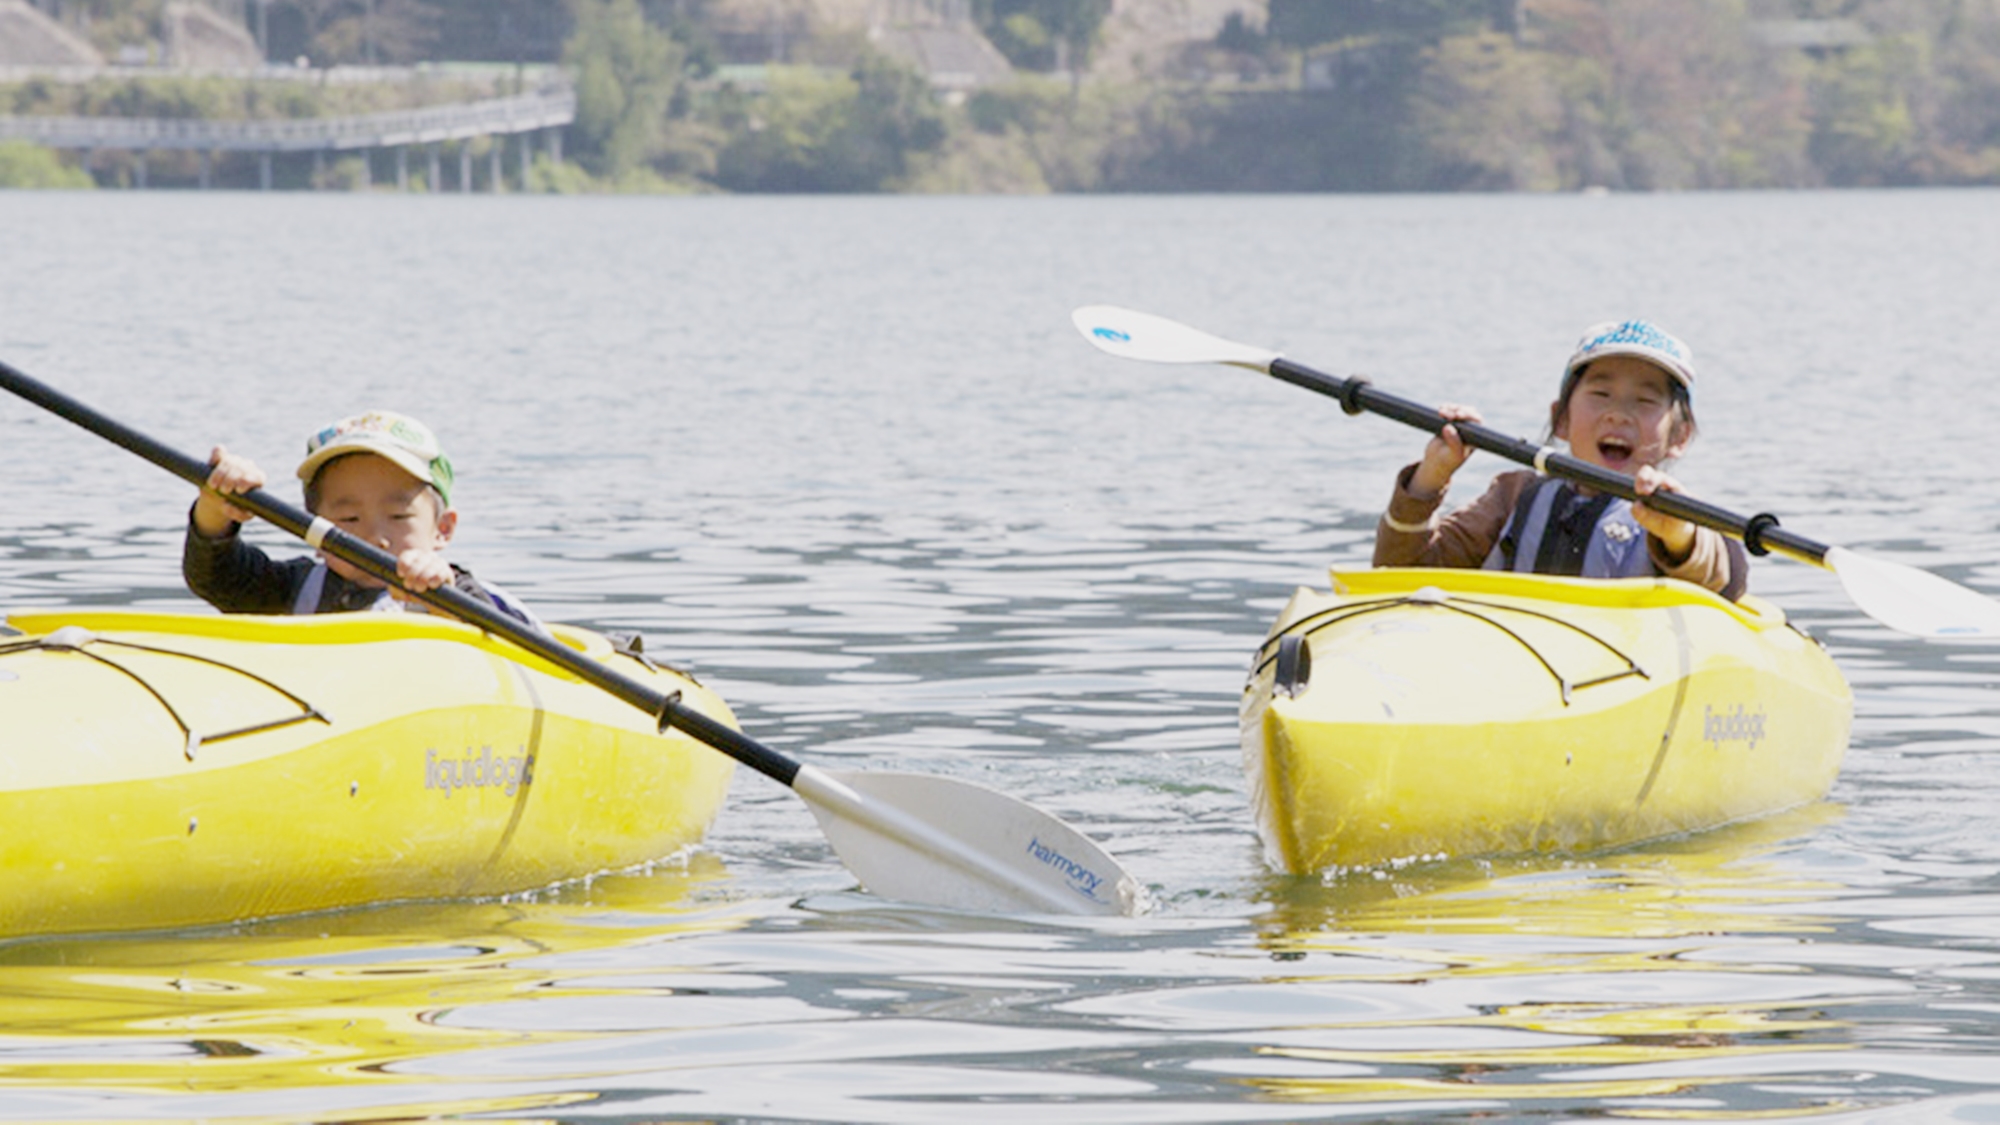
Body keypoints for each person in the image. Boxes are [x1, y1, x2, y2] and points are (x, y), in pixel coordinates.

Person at [1373, 319, 1748, 600]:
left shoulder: (1678, 514)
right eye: (1600, 394)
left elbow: (1725, 580)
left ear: (1679, 437)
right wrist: (1431, 476)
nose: (1618, 414)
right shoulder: (1512, 496)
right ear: (1561, 420)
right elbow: (1401, 571)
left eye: (1645, 401)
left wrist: (1679, 535)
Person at [184, 410, 543, 628]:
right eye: (349, 518)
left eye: (399, 515)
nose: (375, 536)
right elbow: (216, 576)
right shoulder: (295, 589)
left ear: (443, 529)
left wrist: (442, 601)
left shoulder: (460, 592)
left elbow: (513, 653)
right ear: (315, 529)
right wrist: (216, 506)